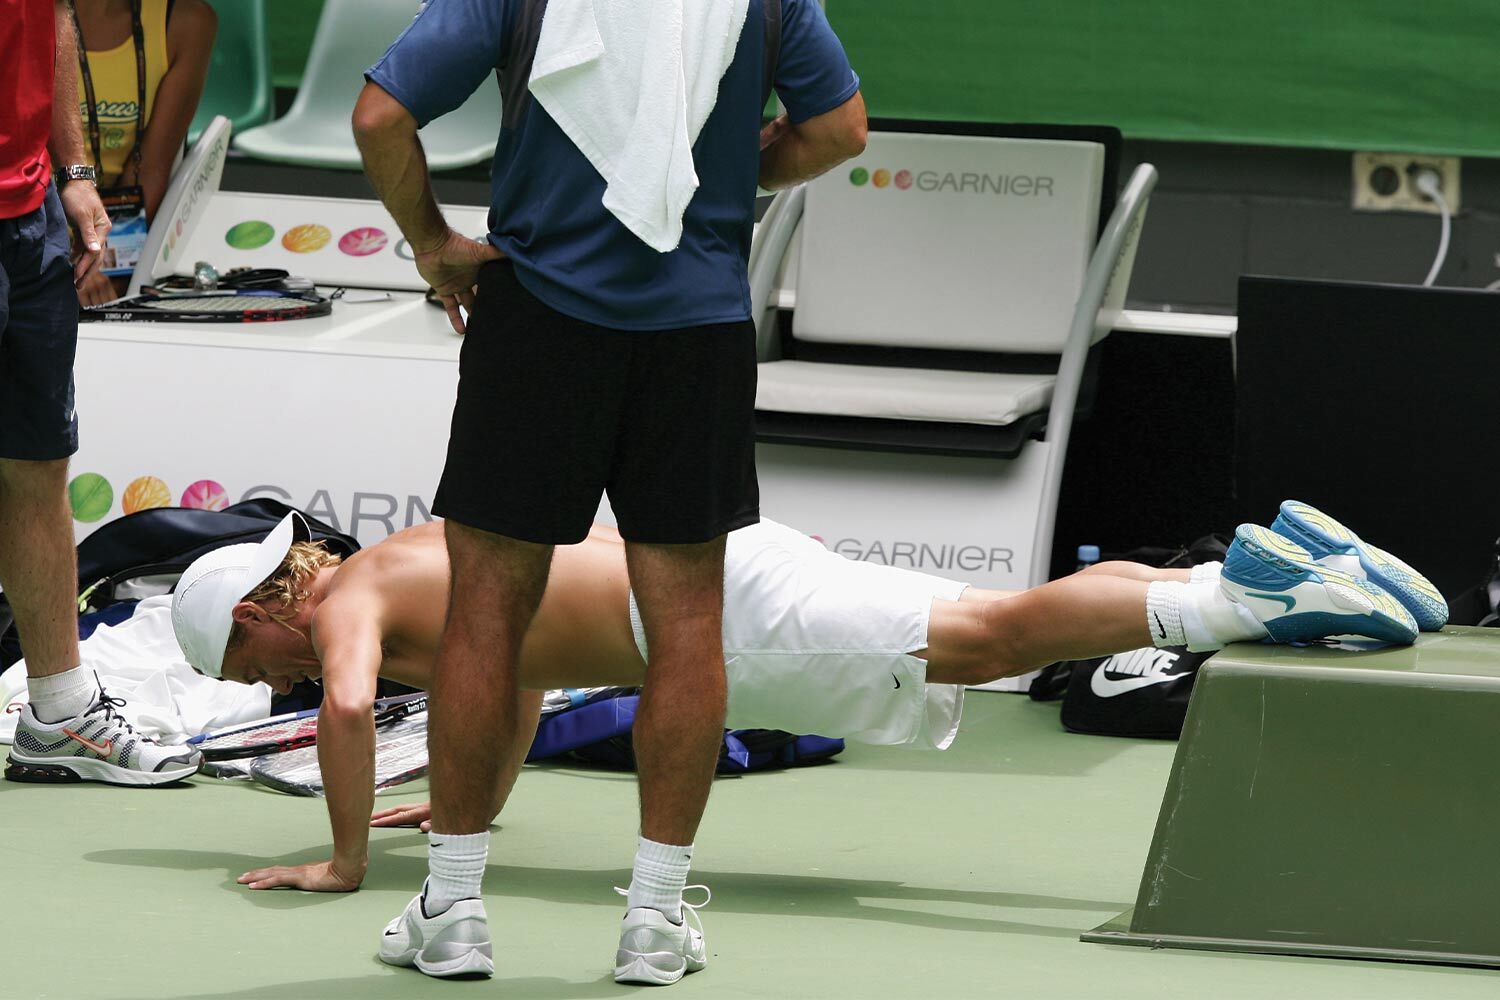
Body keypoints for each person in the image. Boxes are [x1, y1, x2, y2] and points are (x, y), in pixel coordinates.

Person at [169, 502, 1441, 915]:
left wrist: (344, 859)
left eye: (245, 661)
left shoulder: (352, 601)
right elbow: (517, 689)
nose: (264, 682)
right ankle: (1273, 568)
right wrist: (466, 808)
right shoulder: (421, 560)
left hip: (721, 614)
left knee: (984, 641)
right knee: (988, 620)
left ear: (268, 605)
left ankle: (1247, 596)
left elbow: (346, 709)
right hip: (724, 575)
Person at [349, 0, 866, 982]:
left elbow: (381, 116)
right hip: (697, 336)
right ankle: (656, 920)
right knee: (687, 627)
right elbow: (840, 129)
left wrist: (432, 243)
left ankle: (451, 908)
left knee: (485, 616)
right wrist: (733, 167)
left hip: (536, 324)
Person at [1, 0, 202, 786]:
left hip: (29, 213)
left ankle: (58, 712)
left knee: (36, 464)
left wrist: (75, 170)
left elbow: (48, 14)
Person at [68, 0, 217, 306]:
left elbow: (151, 168)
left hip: (112, 234)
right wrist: (60, 260)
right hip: (33, 224)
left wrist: (107, 266)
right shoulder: (25, 12)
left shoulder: (187, 21)